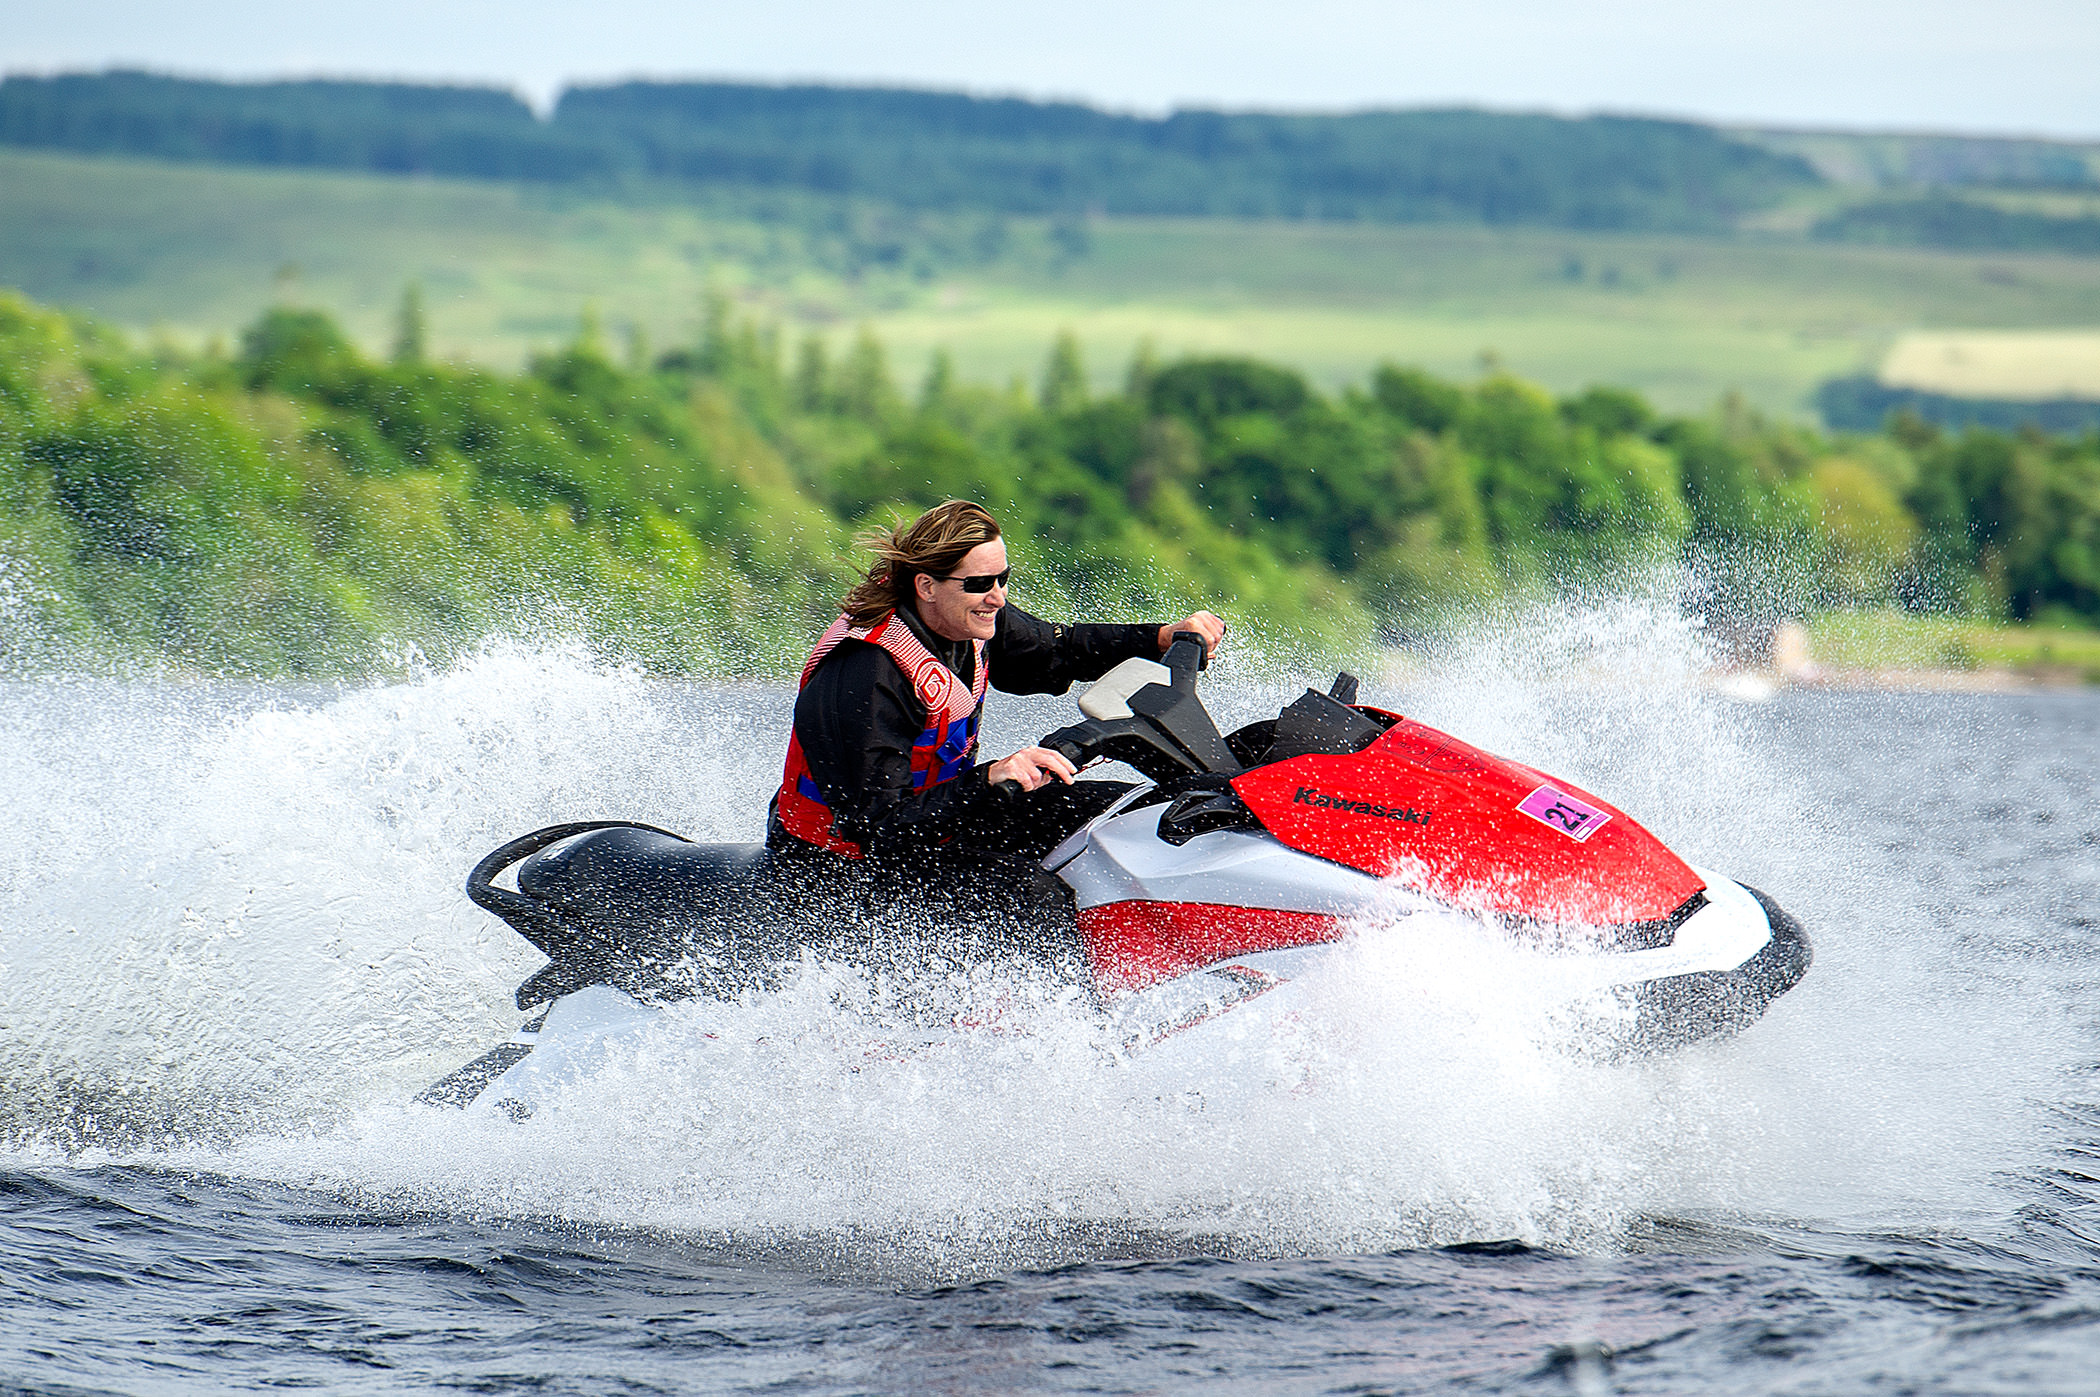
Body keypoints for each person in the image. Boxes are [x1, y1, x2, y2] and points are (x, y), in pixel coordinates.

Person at [770, 500, 1224, 884]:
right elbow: (881, 824)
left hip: (937, 821)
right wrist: (989, 779)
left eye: (1002, 578)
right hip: (839, 866)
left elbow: (1057, 651)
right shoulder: (865, 674)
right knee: (1034, 895)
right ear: (925, 585)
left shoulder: (971, 621)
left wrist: (1158, 638)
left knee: (1126, 815)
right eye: (981, 584)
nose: (999, 597)